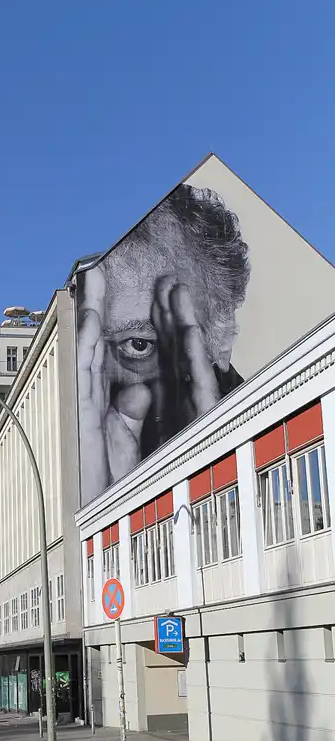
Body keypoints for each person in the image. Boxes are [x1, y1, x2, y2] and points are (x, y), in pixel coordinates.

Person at [77, 183, 250, 504]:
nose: (100, 387)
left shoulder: (274, 435)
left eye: (140, 345)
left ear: (221, 339)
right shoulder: (79, 436)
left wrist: (217, 478)